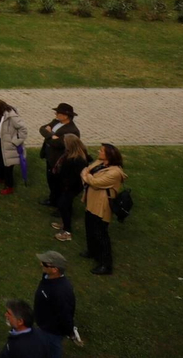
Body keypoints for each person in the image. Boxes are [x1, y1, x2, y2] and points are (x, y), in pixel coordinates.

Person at [80, 143, 126, 275]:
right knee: (89, 228)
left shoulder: (115, 173)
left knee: (101, 234)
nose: (99, 152)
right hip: (92, 202)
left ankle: (106, 264)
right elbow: (87, 170)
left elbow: (94, 182)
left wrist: (86, 176)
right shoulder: (101, 162)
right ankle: (92, 251)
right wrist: (87, 175)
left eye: (102, 151)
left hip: (101, 206)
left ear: (109, 155)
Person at [38, 104, 82, 208]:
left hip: (59, 160)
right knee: (51, 181)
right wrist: (51, 135)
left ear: (66, 116)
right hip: (50, 157)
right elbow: (42, 129)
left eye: (58, 113)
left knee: (59, 183)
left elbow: (58, 143)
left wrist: (50, 134)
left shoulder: (72, 130)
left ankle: (60, 204)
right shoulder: (56, 122)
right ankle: (52, 199)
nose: (56, 114)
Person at [33, 251, 76, 351]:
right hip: (44, 324)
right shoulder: (47, 276)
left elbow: (65, 315)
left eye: (44, 264)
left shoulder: (61, 292)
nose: (41, 264)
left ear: (55, 270)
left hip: (52, 331)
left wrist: (69, 331)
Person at [52, 134, 91, 242]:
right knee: (66, 205)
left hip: (71, 187)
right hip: (67, 185)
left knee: (63, 205)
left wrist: (66, 185)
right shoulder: (72, 154)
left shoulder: (77, 159)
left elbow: (77, 175)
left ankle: (67, 231)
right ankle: (64, 223)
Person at [0, 98, 29, 195]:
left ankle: (9, 186)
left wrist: (14, 141)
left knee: (8, 165)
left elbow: (23, 130)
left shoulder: (11, 116)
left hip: (9, 143)